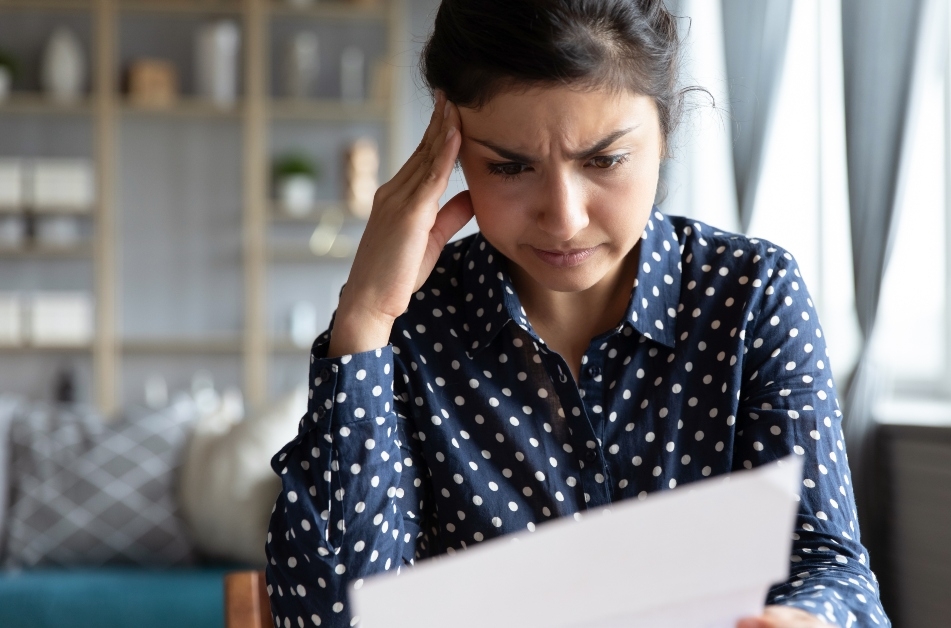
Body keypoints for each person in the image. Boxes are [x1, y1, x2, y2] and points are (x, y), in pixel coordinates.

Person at [265, 1, 890, 627]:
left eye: (604, 160)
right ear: (449, 150)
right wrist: (365, 319)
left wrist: (810, 620)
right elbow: (331, 617)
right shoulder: (410, 328)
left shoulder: (750, 296)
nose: (564, 218)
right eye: (509, 167)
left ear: (665, 132)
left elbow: (828, 563)